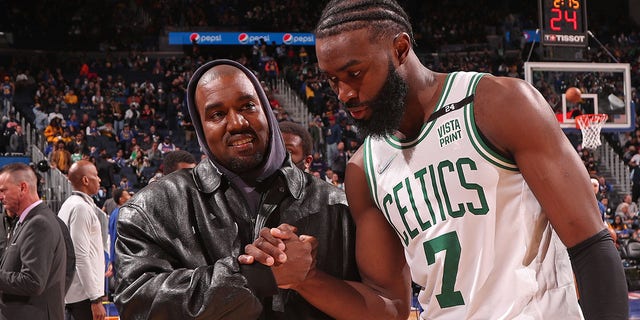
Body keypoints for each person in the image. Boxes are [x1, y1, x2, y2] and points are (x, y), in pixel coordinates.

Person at [251, 1, 628, 319]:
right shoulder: (364, 168)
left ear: (400, 49)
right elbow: (390, 306)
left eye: (355, 73)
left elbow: (591, 245)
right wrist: (306, 277)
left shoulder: (496, 104)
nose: (345, 94)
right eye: (332, 81)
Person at [113, 59, 359, 319]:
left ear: (266, 110)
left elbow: (377, 304)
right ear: (200, 127)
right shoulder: (150, 208)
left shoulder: (338, 205)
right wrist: (254, 277)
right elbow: (137, 305)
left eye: (247, 106)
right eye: (217, 114)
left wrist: (310, 278)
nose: (237, 123)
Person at [0, 163, 67, 320]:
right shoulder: (27, 220)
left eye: (3, 190)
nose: (0, 196)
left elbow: (33, 281)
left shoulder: (39, 223)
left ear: (23, 188)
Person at [58, 160, 106, 320]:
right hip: (84, 296)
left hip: (74, 292)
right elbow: (80, 256)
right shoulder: (81, 208)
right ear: (85, 180)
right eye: (96, 176)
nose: (99, 180)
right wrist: (95, 298)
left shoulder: (68, 204)